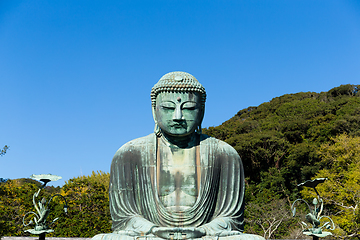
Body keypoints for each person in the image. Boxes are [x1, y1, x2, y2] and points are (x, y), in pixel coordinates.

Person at [93, 72, 264, 240]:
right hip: (151, 236)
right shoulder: (129, 154)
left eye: (188, 108)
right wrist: (154, 230)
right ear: (154, 110)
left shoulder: (224, 153)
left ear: (201, 111)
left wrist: (202, 231)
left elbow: (231, 220)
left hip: (205, 236)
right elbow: (124, 219)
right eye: (168, 108)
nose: (178, 116)